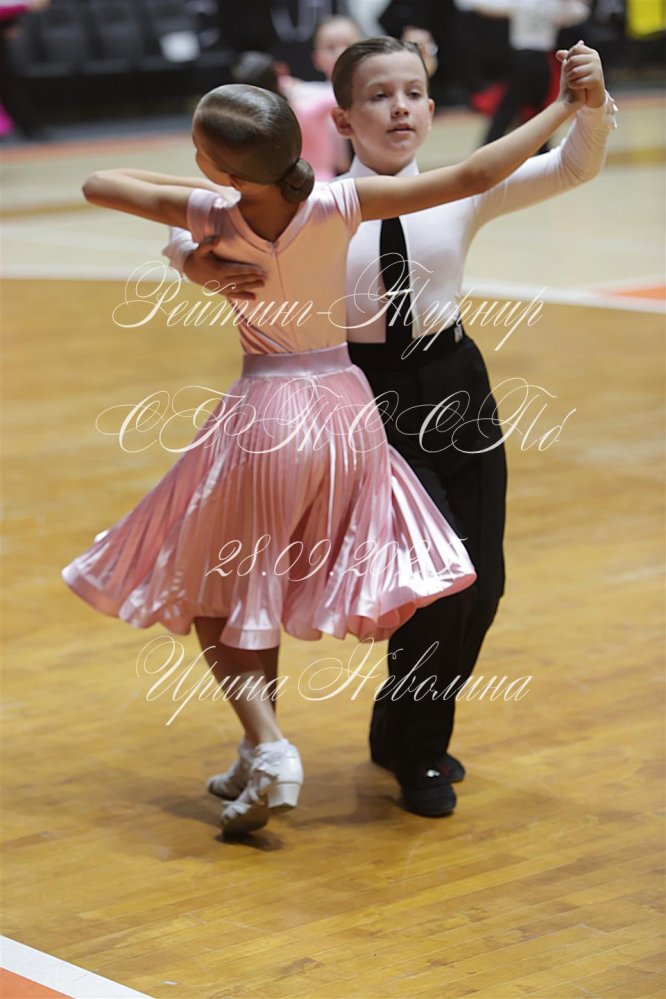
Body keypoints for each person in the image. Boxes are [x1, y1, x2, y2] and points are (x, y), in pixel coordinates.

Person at [63, 68, 581, 837]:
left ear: (216, 167)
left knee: (221, 588)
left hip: (268, 413)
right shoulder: (340, 203)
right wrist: (564, 105)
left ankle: (271, 744)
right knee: (264, 582)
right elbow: (476, 172)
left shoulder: (211, 211)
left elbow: (98, 182)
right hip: (347, 411)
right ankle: (257, 748)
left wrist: (205, 209)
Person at [458, 0, 590, 147]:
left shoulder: (523, 3)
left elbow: (491, 6)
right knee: (540, 112)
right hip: (542, 63)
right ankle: (543, 153)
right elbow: (580, 12)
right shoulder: (553, 5)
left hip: (523, 61)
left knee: (507, 109)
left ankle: (485, 149)